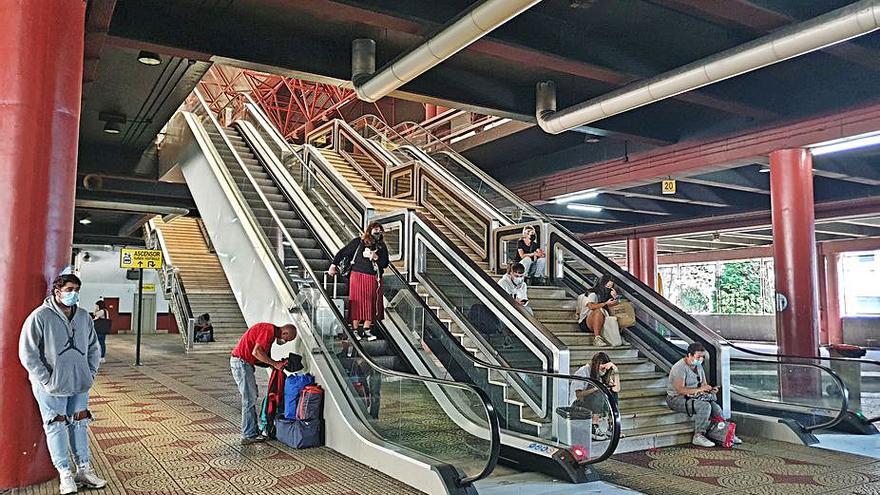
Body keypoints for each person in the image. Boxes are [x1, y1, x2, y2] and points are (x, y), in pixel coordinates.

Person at [19, 274, 106, 494]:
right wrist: (47, 380)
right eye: (69, 289)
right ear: (57, 291)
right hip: (51, 387)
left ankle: (84, 469)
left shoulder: (85, 317)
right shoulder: (40, 317)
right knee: (56, 426)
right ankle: (65, 474)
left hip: (80, 383)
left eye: (76, 289)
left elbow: (94, 348)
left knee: (79, 423)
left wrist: (90, 373)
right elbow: (27, 353)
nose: (73, 293)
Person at [230, 322, 297, 445]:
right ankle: (248, 434)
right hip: (241, 363)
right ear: (285, 333)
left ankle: (252, 431)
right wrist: (275, 364)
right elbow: (257, 352)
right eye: (287, 339)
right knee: (249, 399)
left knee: (252, 397)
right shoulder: (268, 331)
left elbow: (262, 357)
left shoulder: (269, 333)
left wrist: (275, 365)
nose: (285, 342)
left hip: (244, 364)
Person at [667, 342, 742, 447]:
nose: (701, 359)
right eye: (698, 357)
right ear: (689, 355)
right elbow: (680, 390)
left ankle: (724, 433)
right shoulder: (679, 368)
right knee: (704, 406)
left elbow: (704, 384)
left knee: (716, 408)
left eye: (702, 357)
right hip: (676, 399)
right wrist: (700, 389)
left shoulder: (699, 367)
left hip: (695, 396)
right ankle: (698, 435)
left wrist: (709, 390)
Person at [328, 222, 389, 342]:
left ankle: (367, 329)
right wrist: (333, 265)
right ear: (369, 230)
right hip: (358, 276)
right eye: (375, 230)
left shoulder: (381, 246)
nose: (378, 233)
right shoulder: (359, 242)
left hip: (374, 277)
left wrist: (376, 257)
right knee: (357, 302)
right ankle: (355, 329)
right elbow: (343, 252)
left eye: (379, 230)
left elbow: (385, 263)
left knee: (372, 302)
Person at [571, 352, 620, 441]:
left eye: (606, 367)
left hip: (593, 403)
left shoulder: (604, 374)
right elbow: (578, 395)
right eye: (602, 367)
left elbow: (616, 389)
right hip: (578, 405)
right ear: (596, 364)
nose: (604, 370)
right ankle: (594, 426)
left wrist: (615, 370)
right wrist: (596, 388)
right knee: (599, 390)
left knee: (613, 393)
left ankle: (612, 426)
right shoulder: (583, 371)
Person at [576, 275, 618, 344]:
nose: (608, 289)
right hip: (586, 322)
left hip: (602, 319)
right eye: (607, 286)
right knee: (598, 310)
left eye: (611, 287)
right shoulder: (592, 294)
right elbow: (591, 306)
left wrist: (615, 299)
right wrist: (605, 303)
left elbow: (612, 312)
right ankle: (597, 338)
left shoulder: (607, 296)